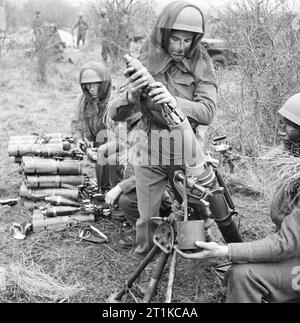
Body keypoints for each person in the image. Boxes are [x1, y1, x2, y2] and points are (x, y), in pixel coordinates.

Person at [108, 1, 217, 293]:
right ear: (164, 33)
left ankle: (208, 253)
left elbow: (207, 111)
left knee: (202, 208)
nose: (181, 46)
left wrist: (173, 99)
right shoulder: (146, 56)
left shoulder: (201, 61)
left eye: (188, 39)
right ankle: (145, 272)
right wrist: (131, 97)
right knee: (147, 217)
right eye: (175, 38)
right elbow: (116, 112)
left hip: (187, 145)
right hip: (151, 146)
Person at [175, 93, 300, 303]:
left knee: (243, 276)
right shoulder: (292, 165)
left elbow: (286, 244)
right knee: (240, 268)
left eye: (292, 127)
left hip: (293, 253)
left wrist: (225, 250)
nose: (280, 131)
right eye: (282, 123)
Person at [71, 61, 123, 190]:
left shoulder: (117, 101)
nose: (92, 89)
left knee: (117, 188)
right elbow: (76, 124)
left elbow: (125, 137)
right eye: (88, 85)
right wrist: (79, 140)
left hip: (120, 152)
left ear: (104, 84)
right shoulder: (83, 102)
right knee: (102, 189)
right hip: (99, 150)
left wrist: (106, 148)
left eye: (95, 84)